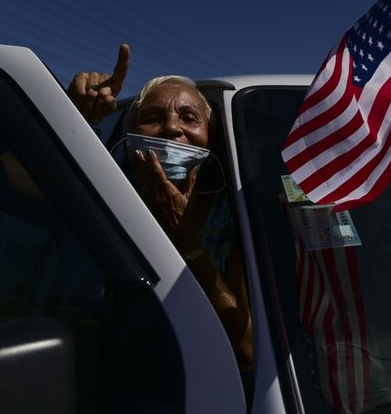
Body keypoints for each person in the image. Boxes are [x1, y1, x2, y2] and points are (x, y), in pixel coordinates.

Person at [67, 43, 254, 378]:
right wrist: (73, 120)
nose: (171, 128)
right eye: (154, 118)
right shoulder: (101, 193)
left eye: (189, 118)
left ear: (208, 138)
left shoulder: (235, 217)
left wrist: (184, 241)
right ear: (129, 133)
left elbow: (247, 351)